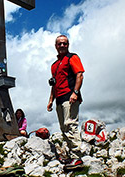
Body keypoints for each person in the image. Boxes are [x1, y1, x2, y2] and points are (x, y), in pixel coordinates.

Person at [46, 35, 85, 164]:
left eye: (65, 43)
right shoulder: (54, 65)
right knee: (64, 128)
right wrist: (51, 100)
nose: (62, 46)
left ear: (68, 45)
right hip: (59, 99)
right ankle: (71, 155)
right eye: (59, 44)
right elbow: (54, 84)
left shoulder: (72, 57)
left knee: (70, 125)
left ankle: (76, 157)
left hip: (70, 97)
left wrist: (75, 92)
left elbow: (79, 75)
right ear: (55, 46)